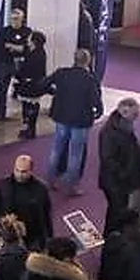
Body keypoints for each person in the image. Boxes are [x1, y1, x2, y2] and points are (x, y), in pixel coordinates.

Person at [40, 49, 104, 195]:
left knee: (56, 149)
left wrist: (55, 92)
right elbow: (95, 100)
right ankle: (70, 186)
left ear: (74, 59)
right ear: (87, 61)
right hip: (80, 120)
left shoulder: (62, 73)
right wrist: (98, 111)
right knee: (75, 154)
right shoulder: (89, 78)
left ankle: (49, 179)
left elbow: (43, 83)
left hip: (62, 116)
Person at [0, 153, 54, 248]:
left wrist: (49, 237)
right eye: (17, 170)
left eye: (24, 172)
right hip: (7, 237)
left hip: (33, 237)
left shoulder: (41, 189)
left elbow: (46, 214)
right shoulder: (1, 185)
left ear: (31, 171)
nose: (20, 174)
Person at [98, 98, 140, 233]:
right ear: (124, 112)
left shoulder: (123, 126)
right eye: (135, 114)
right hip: (115, 181)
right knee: (117, 212)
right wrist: (124, 173)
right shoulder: (109, 132)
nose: (137, 117)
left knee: (116, 211)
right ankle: (111, 237)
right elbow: (107, 159)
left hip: (120, 179)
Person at [0, 7, 33, 120]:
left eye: (17, 19)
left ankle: (26, 114)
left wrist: (13, 46)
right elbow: (1, 47)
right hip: (6, 63)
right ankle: (0, 114)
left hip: (22, 63)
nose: (15, 21)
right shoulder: (4, 31)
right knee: (3, 89)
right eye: (13, 19)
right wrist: (18, 47)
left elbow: (27, 48)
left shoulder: (27, 31)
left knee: (25, 89)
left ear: (22, 19)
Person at [13, 29, 50, 140]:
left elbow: (30, 69)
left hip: (31, 84)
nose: (27, 40)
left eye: (30, 38)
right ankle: (28, 127)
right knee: (27, 106)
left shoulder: (37, 54)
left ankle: (30, 128)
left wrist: (19, 74)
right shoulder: (34, 52)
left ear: (34, 41)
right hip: (30, 83)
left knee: (31, 106)